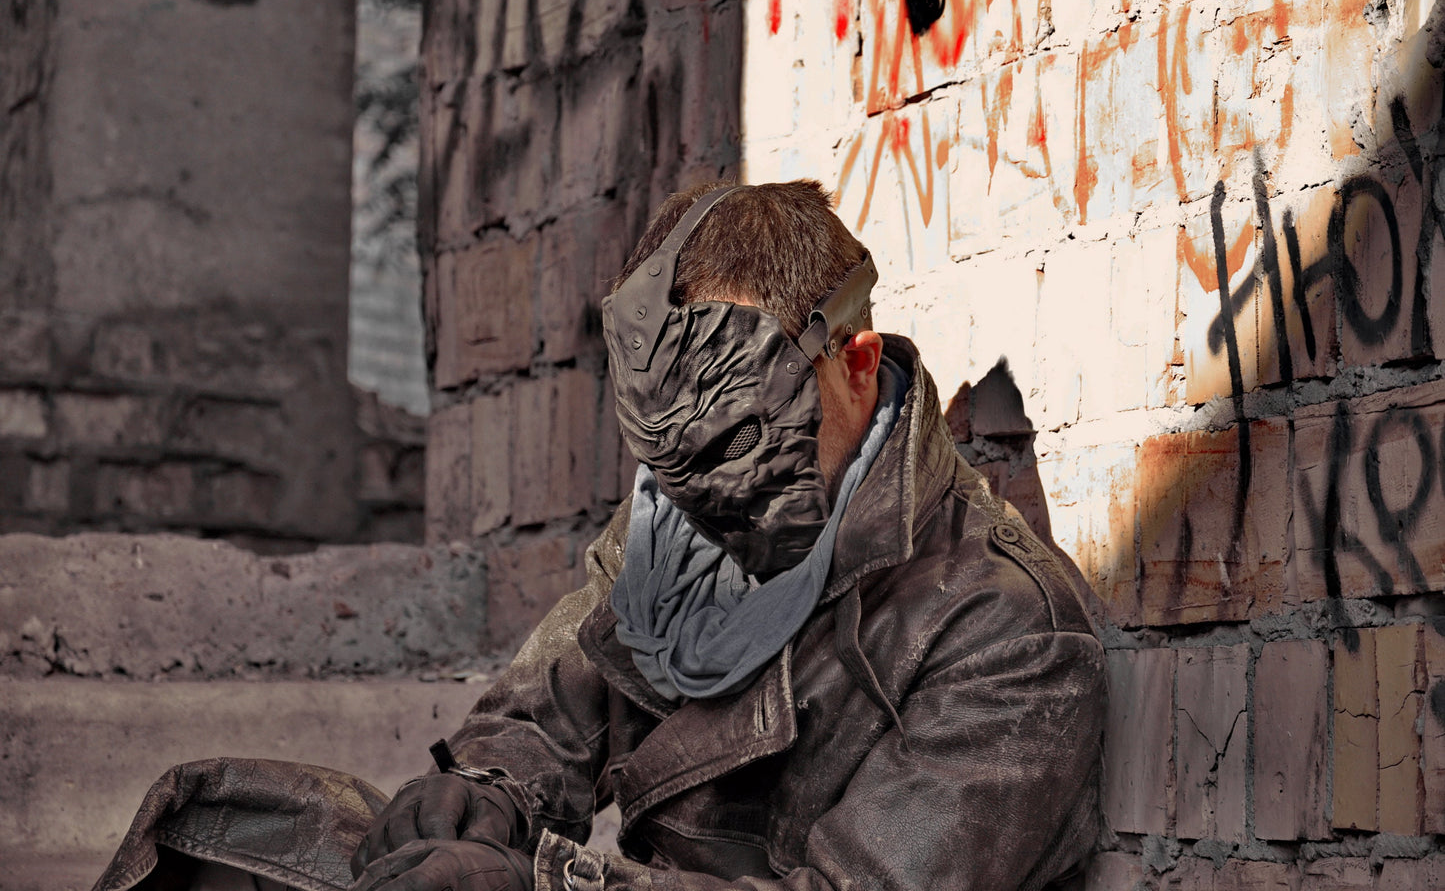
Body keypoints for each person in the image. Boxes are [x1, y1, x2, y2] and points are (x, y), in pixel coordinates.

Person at [93, 180, 1104, 891]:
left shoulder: (1005, 628)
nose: (710, 500)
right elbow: (546, 716)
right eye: (675, 461)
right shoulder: (684, 516)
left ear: (854, 360)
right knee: (214, 824)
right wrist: (476, 797)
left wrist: (544, 882)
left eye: (749, 441)